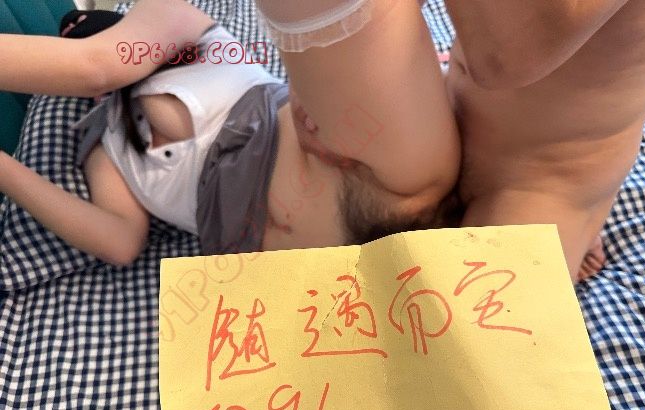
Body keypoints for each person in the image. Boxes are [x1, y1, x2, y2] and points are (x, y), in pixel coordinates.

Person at [0, 0, 460, 266]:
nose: (73, 28)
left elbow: (95, 67)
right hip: (316, 268)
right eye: (65, 34)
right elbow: (119, 242)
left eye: (84, 25)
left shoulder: (177, 25)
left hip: (362, 158)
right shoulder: (105, 143)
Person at [294, 0, 645, 282]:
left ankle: (581, 220)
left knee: (472, 354)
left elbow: (504, 58)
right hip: (454, 110)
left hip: (548, 176)